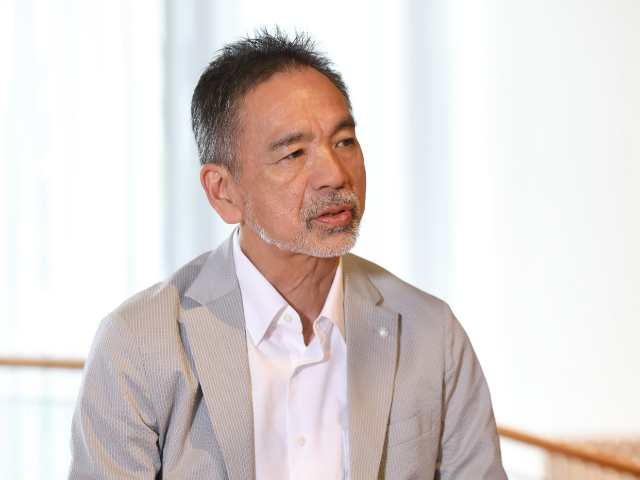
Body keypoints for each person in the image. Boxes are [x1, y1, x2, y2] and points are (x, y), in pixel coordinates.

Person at [69, 29, 507, 479]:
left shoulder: (432, 332)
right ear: (223, 192)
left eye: (344, 141)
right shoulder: (137, 344)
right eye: (294, 154)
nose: (334, 174)